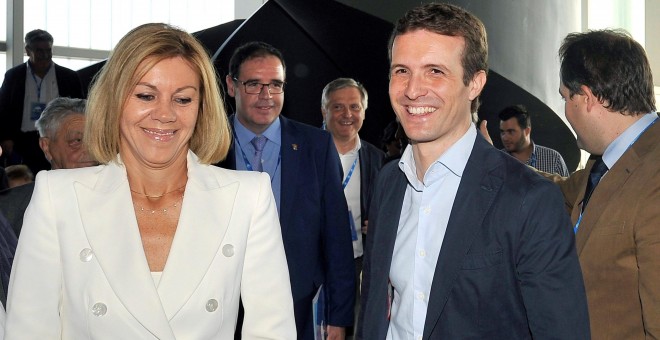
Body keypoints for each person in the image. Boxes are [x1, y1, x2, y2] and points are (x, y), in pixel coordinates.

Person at [4, 23, 296, 339]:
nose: (164, 114)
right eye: (146, 95)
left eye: (183, 99)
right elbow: (28, 330)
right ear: (115, 99)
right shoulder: (58, 197)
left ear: (201, 107)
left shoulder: (247, 197)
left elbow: (272, 330)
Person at [358, 3, 590, 339]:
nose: (411, 90)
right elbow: (375, 306)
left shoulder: (529, 199)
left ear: (475, 84)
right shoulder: (389, 183)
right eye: (401, 70)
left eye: (435, 71)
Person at [218, 41, 355, 340]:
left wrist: (339, 316)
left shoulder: (316, 146)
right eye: (254, 84)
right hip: (222, 310)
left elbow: (337, 236)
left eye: (275, 85)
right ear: (232, 85)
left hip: (298, 309)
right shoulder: (208, 148)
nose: (266, 96)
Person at [552, 29, 658, 339]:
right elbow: (559, 190)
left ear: (585, 97)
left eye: (565, 98)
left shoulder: (654, 175)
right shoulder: (604, 163)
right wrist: (490, 161)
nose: (566, 110)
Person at [320, 77, 384, 330]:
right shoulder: (304, 152)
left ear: (364, 112)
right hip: (316, 263)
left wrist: (379, 224)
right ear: (324, 111)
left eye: (355, 107)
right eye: (337, 107)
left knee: (358, 329)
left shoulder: (378, 160)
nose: (347, 114)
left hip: (359, 265)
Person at [0, 97, 96, 237]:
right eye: (77, 141)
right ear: (46, 147)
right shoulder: (8, 209)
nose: (90, 151)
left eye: (96, 141)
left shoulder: (125, 199)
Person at [0, 29, 83, 175]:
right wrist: (5, 137)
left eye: (48, 50)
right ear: (28, 50)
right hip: (22, 142)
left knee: (58, 176)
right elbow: (3, 109)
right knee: (25, 183)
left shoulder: (69, 77)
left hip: (58, 138)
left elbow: (81, 109)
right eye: (39, 51)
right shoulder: (13, 76)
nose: (45, 55)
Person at [498, 104, 569, 176]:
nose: (505, 138)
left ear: (527, 131)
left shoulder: (553, 159)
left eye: (511, 132)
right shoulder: (496, 161)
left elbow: (567, 187)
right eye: (502, 132)